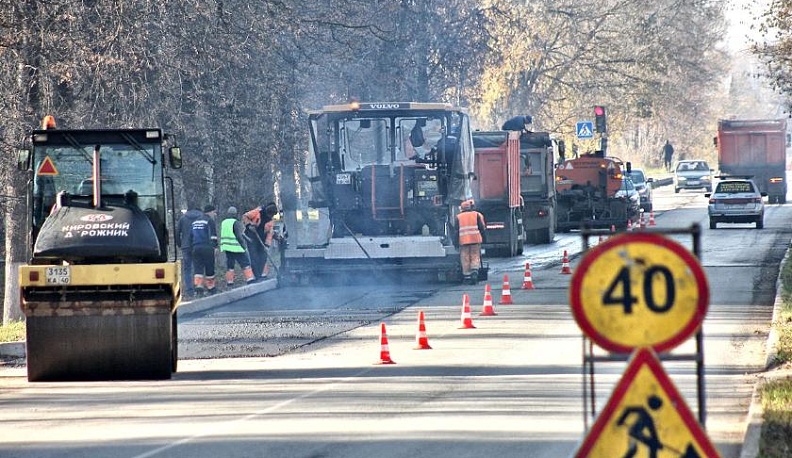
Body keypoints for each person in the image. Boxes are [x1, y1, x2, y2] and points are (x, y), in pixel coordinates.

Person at [219, 206, 256, 287]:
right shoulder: (235, 222)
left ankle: (230, 282)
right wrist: (244, 247)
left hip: (227, 248)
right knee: (245, 263)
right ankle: (250, 279)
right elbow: (239, 236)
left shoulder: (224, 222)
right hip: (237, 247)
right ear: (235, 214)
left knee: (230, 266)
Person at [242, 202, 280, 279]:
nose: (271, 216)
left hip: (262, 238)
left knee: (263, 256)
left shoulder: (270, 221)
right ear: (267, 212)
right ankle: (257, 276)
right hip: (251, 236)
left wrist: (267, 245)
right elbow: (245, 216)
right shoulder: (258, 211)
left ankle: (260, 274)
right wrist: (249, 225)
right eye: (270, 215)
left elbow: (269, 234)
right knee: (254, 256)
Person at [455, 199, 486, 285]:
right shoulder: (476, 215)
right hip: (475, 239)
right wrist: (484, 239)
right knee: (475, 255)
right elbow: (482, 228)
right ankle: (474, 271)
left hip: (463, 241)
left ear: (462, 208)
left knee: (465, 258)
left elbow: (456, 231)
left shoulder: (458, 217)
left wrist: (455, 243)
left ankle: (467, 276)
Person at [189, 204, 218, 295]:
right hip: (207, 247)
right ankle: (211, 288)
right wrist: (215, 247)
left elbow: (190, 236)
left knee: (198, 269)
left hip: (196, 248)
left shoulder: (195, 222)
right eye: (214, 212)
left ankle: (198, 288)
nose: (214, 214)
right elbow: (213, 236)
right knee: (209, 268)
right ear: (210, 212)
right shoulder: (209, 221)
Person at [175, 207, 204, 296]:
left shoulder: (183, 218)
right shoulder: (202, 217)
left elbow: (177, 232)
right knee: (198, 267)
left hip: (186, 246)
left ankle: (189, 290)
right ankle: (198, 287)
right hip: (198, 245)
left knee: (187, 269)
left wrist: (180, 243)